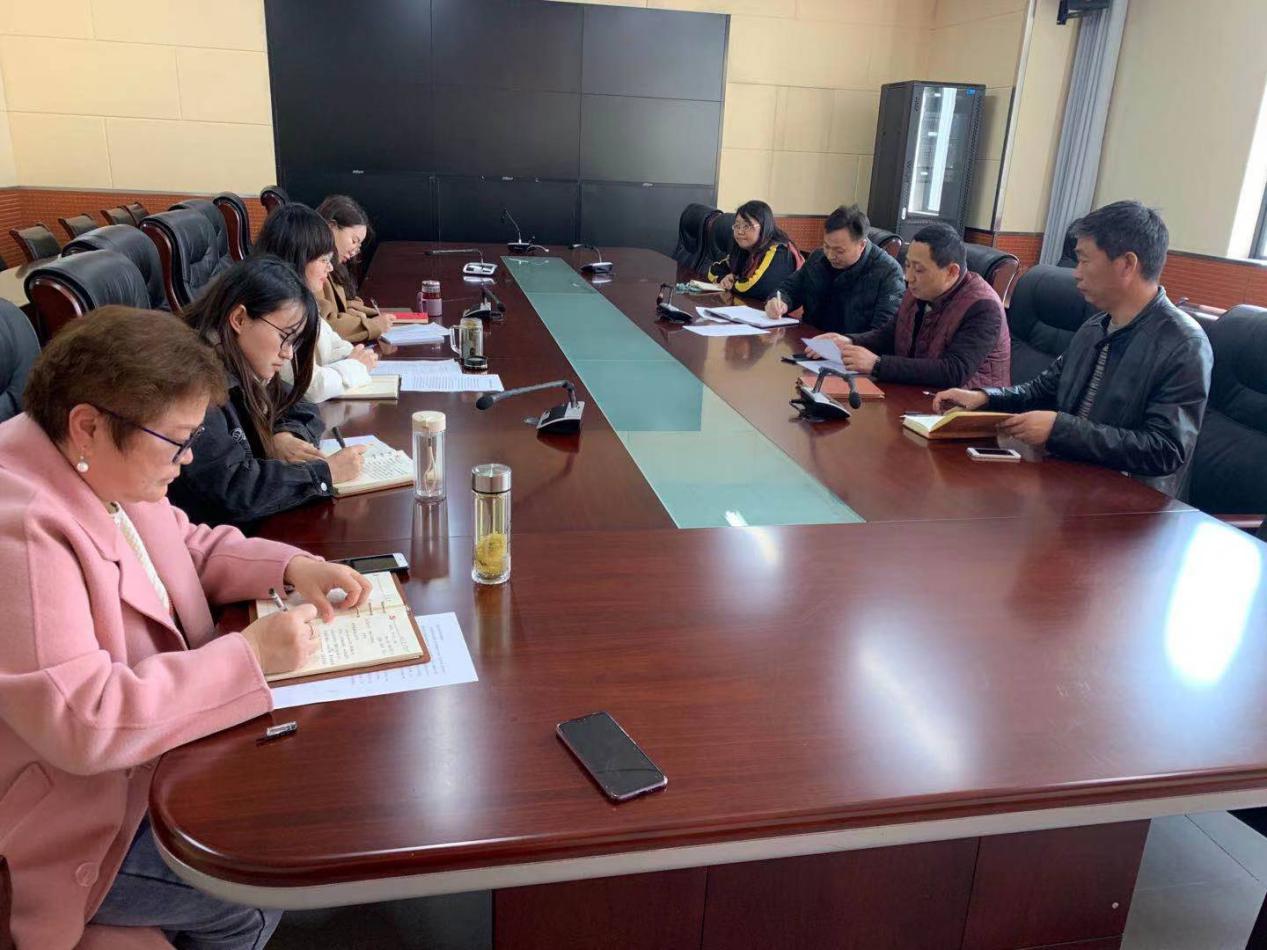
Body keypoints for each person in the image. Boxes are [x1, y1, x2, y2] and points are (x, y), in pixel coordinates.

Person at [0, 306, 373, 948]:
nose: (191, 455)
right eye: (178, 440)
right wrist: (248, 658)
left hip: (154, 759)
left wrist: (291, 566)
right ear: (88, 425)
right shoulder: (23, 526)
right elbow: (83, 720)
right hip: (78, 815)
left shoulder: (95, 463)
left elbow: (187, 547)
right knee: (253, 894)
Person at [934, 201, 1213, 496]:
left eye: (1084, 260)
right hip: (1070, 481)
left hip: (1129, 503)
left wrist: (1060, 430)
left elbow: (1165, 450)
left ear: (1127, 264)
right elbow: (1041, 391)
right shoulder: (1095, 327)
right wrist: (983, 397)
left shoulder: (1183, 345)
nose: (1076, 273)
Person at [169, 256, 366, 527]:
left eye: (294, 342)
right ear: (239, 318)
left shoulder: (240, 358)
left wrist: (283, 436)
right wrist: (324, 473)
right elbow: (230, 491)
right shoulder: (194, 384)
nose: (288, 354)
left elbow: (301, 404)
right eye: (284, 337)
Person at [808, 223, 1011, 389]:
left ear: (951, 272)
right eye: (907, 265)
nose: (909, 277)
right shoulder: (919, 291)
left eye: (919, 270)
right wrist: (849, 341)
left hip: (968, 411)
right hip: (920, 395)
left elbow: (953, 371)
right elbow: (890, 335)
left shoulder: (983, 307)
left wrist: (878, 365)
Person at [255, 202, 379, 402]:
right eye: (323, 260)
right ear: (299, 257)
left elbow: (332, 342)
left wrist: (354, 356)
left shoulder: (300, 297)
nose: (330, 268)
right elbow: (310, 386)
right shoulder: (275, 305)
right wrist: (355, 367)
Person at [765, 204, 904, 334]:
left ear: (861, 245)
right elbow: (789, 288)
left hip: (852, 347)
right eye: (826, 246)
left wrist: (849, 341)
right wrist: (779, 301)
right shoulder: (818, 258)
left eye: (839, 251)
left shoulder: (888, 272)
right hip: (810, 341)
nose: (830, 255)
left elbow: (883, 331)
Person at [316, 194, 393, 343]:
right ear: (331, 227)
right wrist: (372, 325)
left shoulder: (334, 265)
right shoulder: (313, 266)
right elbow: (324, 327)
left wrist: (362, 316)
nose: (355, 252)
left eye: (359, 246)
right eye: (354, 241)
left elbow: (345, 303)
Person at [706, 200, 802, 299]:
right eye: (737, 225)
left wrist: (733, 282)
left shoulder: (779, 251)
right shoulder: (745, 248)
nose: (740, 231)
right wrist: (724, 278)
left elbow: (757, 288)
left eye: (746, 226)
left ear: (764, 226)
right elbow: (714, 271)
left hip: (777, 308)